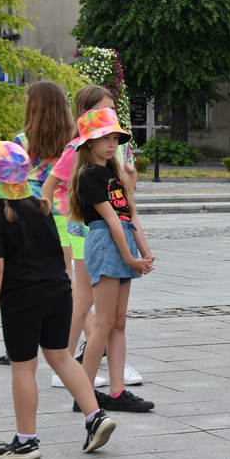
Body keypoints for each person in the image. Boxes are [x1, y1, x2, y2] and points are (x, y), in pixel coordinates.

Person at [0, 141, 116, 459]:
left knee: (24, 366)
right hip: (58, 294)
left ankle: (26, 440)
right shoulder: (43, 208)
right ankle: (95, 416)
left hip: (23, 301)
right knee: (61, 357)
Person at [45, 85, 142, 388]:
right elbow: (51, 185)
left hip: (113, 231)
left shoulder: (114, 149)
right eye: (104, 111)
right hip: (86, 232)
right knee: (85, 300)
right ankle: (65, 362)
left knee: (102, 309)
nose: (110, 118)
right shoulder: (76, 149)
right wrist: (47, 221)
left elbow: (127, 196)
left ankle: (96, 368)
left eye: (113, 111)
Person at [67, 108, 155, 412]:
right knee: (104, 323)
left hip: (122, 240)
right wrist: (131, 257)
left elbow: (128, 215)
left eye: (115, 138)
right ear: (88, 143)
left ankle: (116, 392)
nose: (111, 143)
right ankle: (85, 393)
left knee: (118, 321)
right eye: (105, 137)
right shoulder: (89, 175)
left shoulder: (113, 173)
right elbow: (110, 220)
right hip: (106, 243)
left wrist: (144, 250)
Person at [0, 81, 76, 367]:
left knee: (30, 274)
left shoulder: (22, 141)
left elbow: (13, 180)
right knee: (64, 279)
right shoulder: (73, 140)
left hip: (32, 213)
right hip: (66, 213)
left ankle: (27, 339)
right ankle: (64, 340)